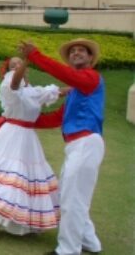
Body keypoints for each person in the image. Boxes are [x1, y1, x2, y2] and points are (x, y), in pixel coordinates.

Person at [21, 38, 105, 255]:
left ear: (90, 58)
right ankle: (89, 241)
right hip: (79, 144)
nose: (76, 53)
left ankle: (68, 249)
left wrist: (35, 56)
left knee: (72, 197)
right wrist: (21, 120)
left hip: (85, 143)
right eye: (73, 51)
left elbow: (66, 75)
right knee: (73, 194)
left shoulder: (91, 78)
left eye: (81, 51)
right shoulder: (78, 90)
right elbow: (57, 118)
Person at [0, 57, 62, 239]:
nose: (17, 66)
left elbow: (55, 92)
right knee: (7, 176)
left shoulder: (32, 91)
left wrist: (79, 87)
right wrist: (26, 61)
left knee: (28, 178)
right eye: (13, 64)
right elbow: (16, 83)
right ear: (8, 70)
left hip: (28, 137)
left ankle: (23, 223)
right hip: (11, 135)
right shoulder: (9, 85)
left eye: (20, 63)